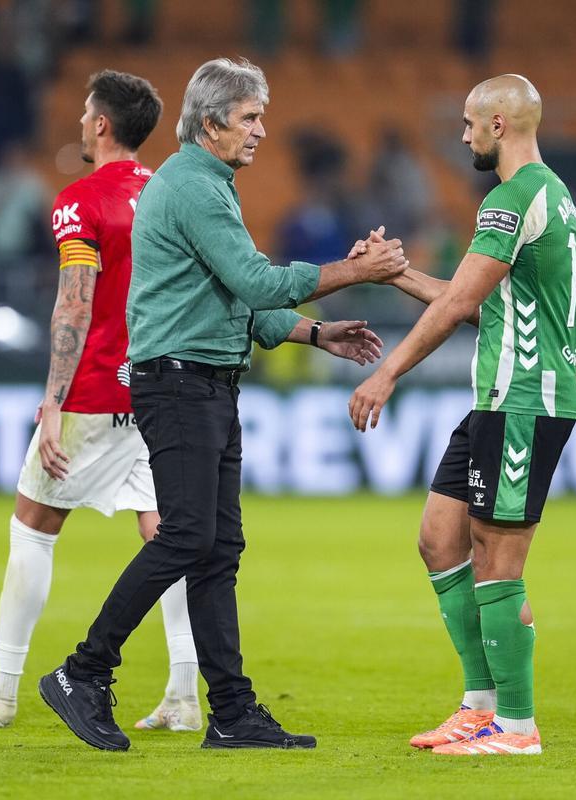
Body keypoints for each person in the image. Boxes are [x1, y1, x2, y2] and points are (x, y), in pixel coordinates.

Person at [37, 57, 408, 752]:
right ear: (210, 123)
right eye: (249, 117)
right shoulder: (196, 187)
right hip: (178, 384)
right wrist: (357, 270)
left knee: (215, 549)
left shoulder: (202, 183)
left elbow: (237, 301)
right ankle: (82, 673)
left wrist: (316, 332)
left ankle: (232, 714)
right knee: (186, 537)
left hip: (204, 379)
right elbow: (256, 281)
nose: (262, 130)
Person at [0, 70, 203, 734]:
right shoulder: (173, 194)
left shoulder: (81, 201)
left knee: (34, 524)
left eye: (88, 114)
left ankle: (0, 690)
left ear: (102, 126)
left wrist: (53, 401)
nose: (82, 122)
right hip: (161, 392)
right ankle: (181, 694)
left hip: (95, 392)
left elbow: (75, 302)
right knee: (166, 537)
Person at [348, 74, 576, 756]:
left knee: (497, 562)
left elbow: (455, 309)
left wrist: (384, 374)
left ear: (499, 125)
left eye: (468, 123)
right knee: (439, 538)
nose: (463, 135)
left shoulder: (510, 200)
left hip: (524, 401)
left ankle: (515, 726)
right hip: (498, 400)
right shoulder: (553, 196)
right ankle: (480, 708)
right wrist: (393, 273)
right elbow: (482, 300)